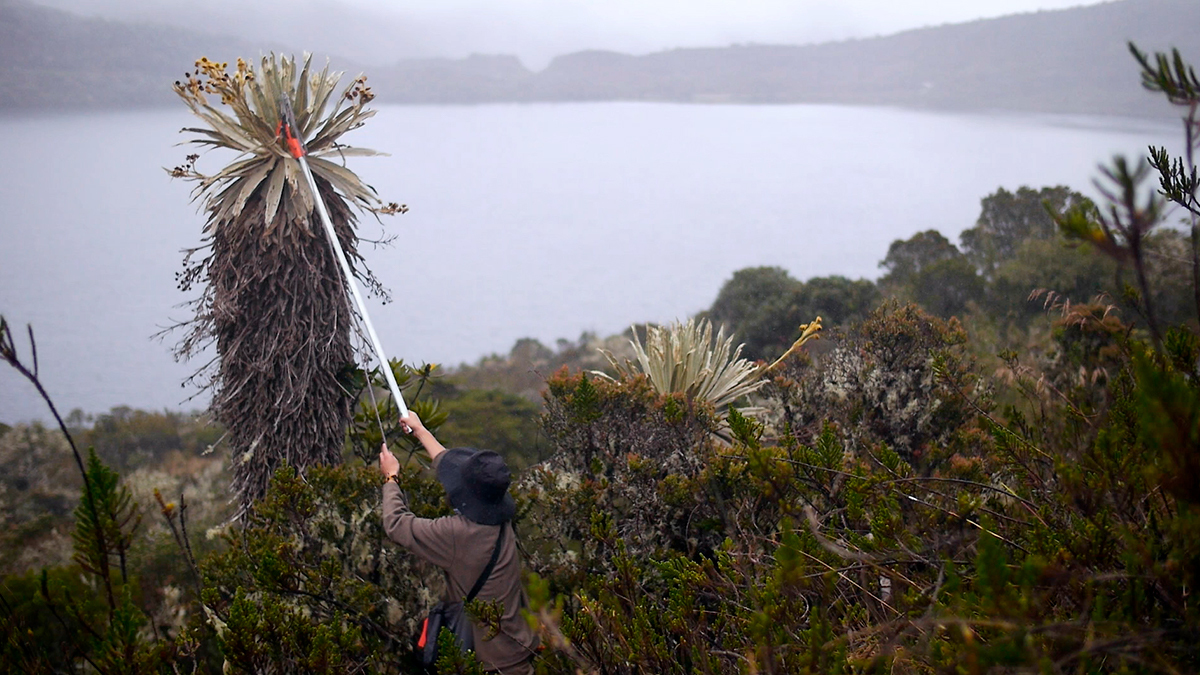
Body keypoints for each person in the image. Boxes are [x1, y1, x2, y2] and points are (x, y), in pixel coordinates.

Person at [379, 412, 539, 674]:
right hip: (520, 654)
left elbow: (396, 524)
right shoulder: (501, 516)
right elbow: (451, 466)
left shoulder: (457, 534)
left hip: (486, 666)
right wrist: (420, 431)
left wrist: (391, 478)